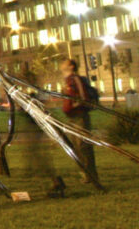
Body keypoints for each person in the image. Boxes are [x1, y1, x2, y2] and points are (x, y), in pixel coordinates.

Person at [59, 58, 105, 191]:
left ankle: (91, 175)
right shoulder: (67, 80)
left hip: (79, 117)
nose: (61, 65)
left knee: (83, 146)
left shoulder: (75, 79)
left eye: (64, 63)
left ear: (71, 66)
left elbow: (83, 98)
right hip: (73, 117)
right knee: (76, 148)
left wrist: (73, 106)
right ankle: (85, 174)